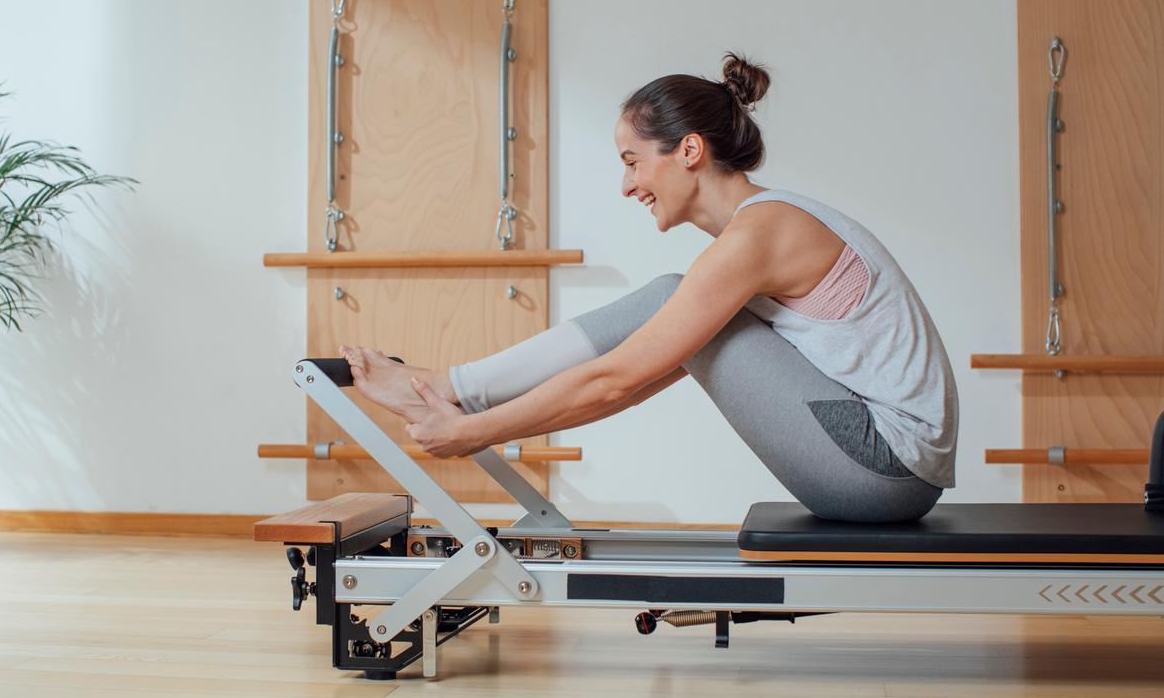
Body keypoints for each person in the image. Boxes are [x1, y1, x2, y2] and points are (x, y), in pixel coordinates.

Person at [343, 53, 957, 523]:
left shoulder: (757, 237)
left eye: (633, 161)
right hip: (885, 466)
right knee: (675, 300)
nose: (627, 185)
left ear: (689, 150)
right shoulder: (762, 229)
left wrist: (474, 431)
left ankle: (453, 389)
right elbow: (635, 379)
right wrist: (477, 419)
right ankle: (454, 388)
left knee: (672, 296)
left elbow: (616, 378)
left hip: (884, 469)